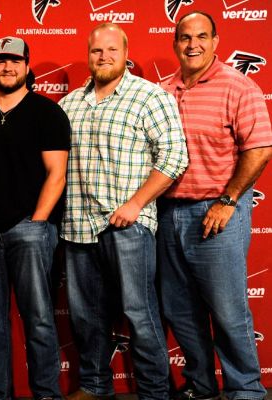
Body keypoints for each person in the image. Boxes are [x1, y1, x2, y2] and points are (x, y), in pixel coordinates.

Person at [58, 23, 188, 400]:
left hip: (127, 226)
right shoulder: (69, 104)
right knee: (85, 318)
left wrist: (136, 204)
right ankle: (95, 385)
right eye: (97, 51)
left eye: (112, 50)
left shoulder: (149, 97)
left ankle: (155, 392)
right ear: (88, 55)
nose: (104, 57)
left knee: (139, 313)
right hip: (78, 227)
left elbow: (176, 156)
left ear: (125, 52)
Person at [158, 11, 272, 400]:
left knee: (227, 311)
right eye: (185, 37)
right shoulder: (163, 90)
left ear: (216, 41)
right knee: (179, 310)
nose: (193, 45)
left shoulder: (238, 86)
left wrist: (227, 201)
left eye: (202, 37)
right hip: (168, 213)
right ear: (175, 43)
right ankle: (201, 385)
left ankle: (246, 391)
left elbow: (258, 149)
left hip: (216, 213)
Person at [0, 36, 70, 400]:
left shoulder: (47, 112)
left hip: (30, 228)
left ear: (27, 66)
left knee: (39, 320)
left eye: (15, 61)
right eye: (0, 61)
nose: (7, 68)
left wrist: (37, 223)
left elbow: (57, 173)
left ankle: (47, 395)